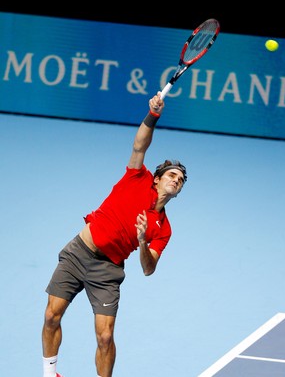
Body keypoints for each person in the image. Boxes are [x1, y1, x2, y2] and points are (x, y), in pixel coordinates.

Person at [42, 91, 187, 377]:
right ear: (157, 178)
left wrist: (143, 241)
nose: (176, 180)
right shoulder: (137, 176)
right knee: (51, 316)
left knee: (105, 338)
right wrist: (153, 114)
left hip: (108, 271)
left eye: (181, 181)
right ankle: (49, 373)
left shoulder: (164, 228)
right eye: (172, 175)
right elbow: (139, 144)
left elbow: (148, 269)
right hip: (78, 252)